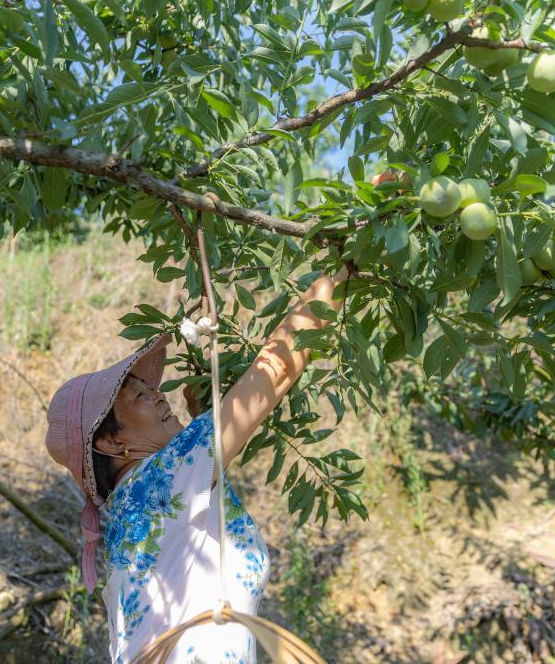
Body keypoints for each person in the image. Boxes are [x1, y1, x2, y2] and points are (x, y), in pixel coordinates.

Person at [45, 267, 348, 663]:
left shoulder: (131, 509)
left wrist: (200, 420)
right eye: (138, 396)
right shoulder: (162, 480)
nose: (159, 396)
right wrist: (338, 275)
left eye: (151, 389)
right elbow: (274, 373)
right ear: (111, 442)